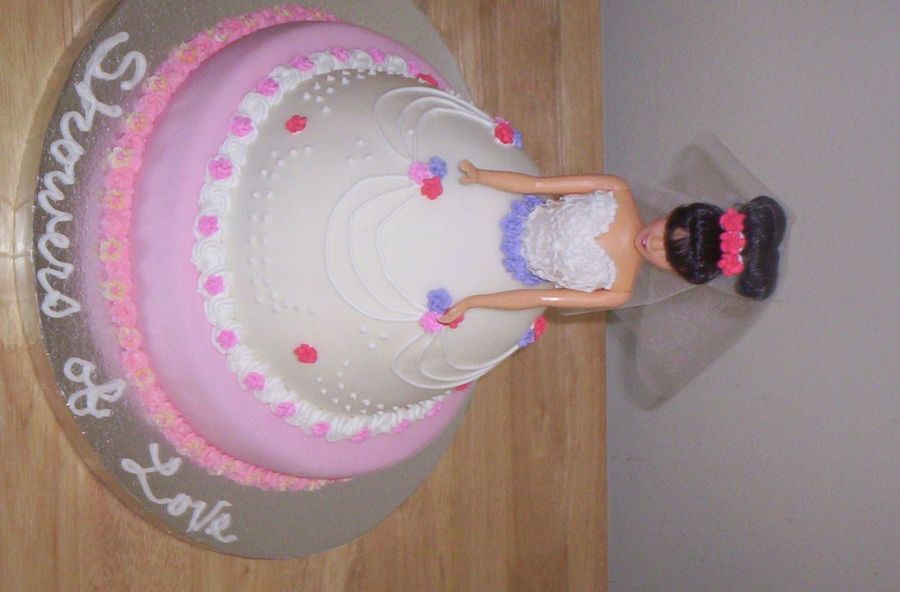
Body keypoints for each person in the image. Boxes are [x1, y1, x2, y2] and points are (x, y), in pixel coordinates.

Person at [439, 159, 786, 324]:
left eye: (670, 256)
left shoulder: (618, 291)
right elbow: (538, 185)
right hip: (500, 209)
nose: (655, 244)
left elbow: (539, 297)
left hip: (500, 273)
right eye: (669, 232)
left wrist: (474, 301)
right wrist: (483, 176)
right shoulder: (616, 190)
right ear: (674, 212)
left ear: (677, 274)